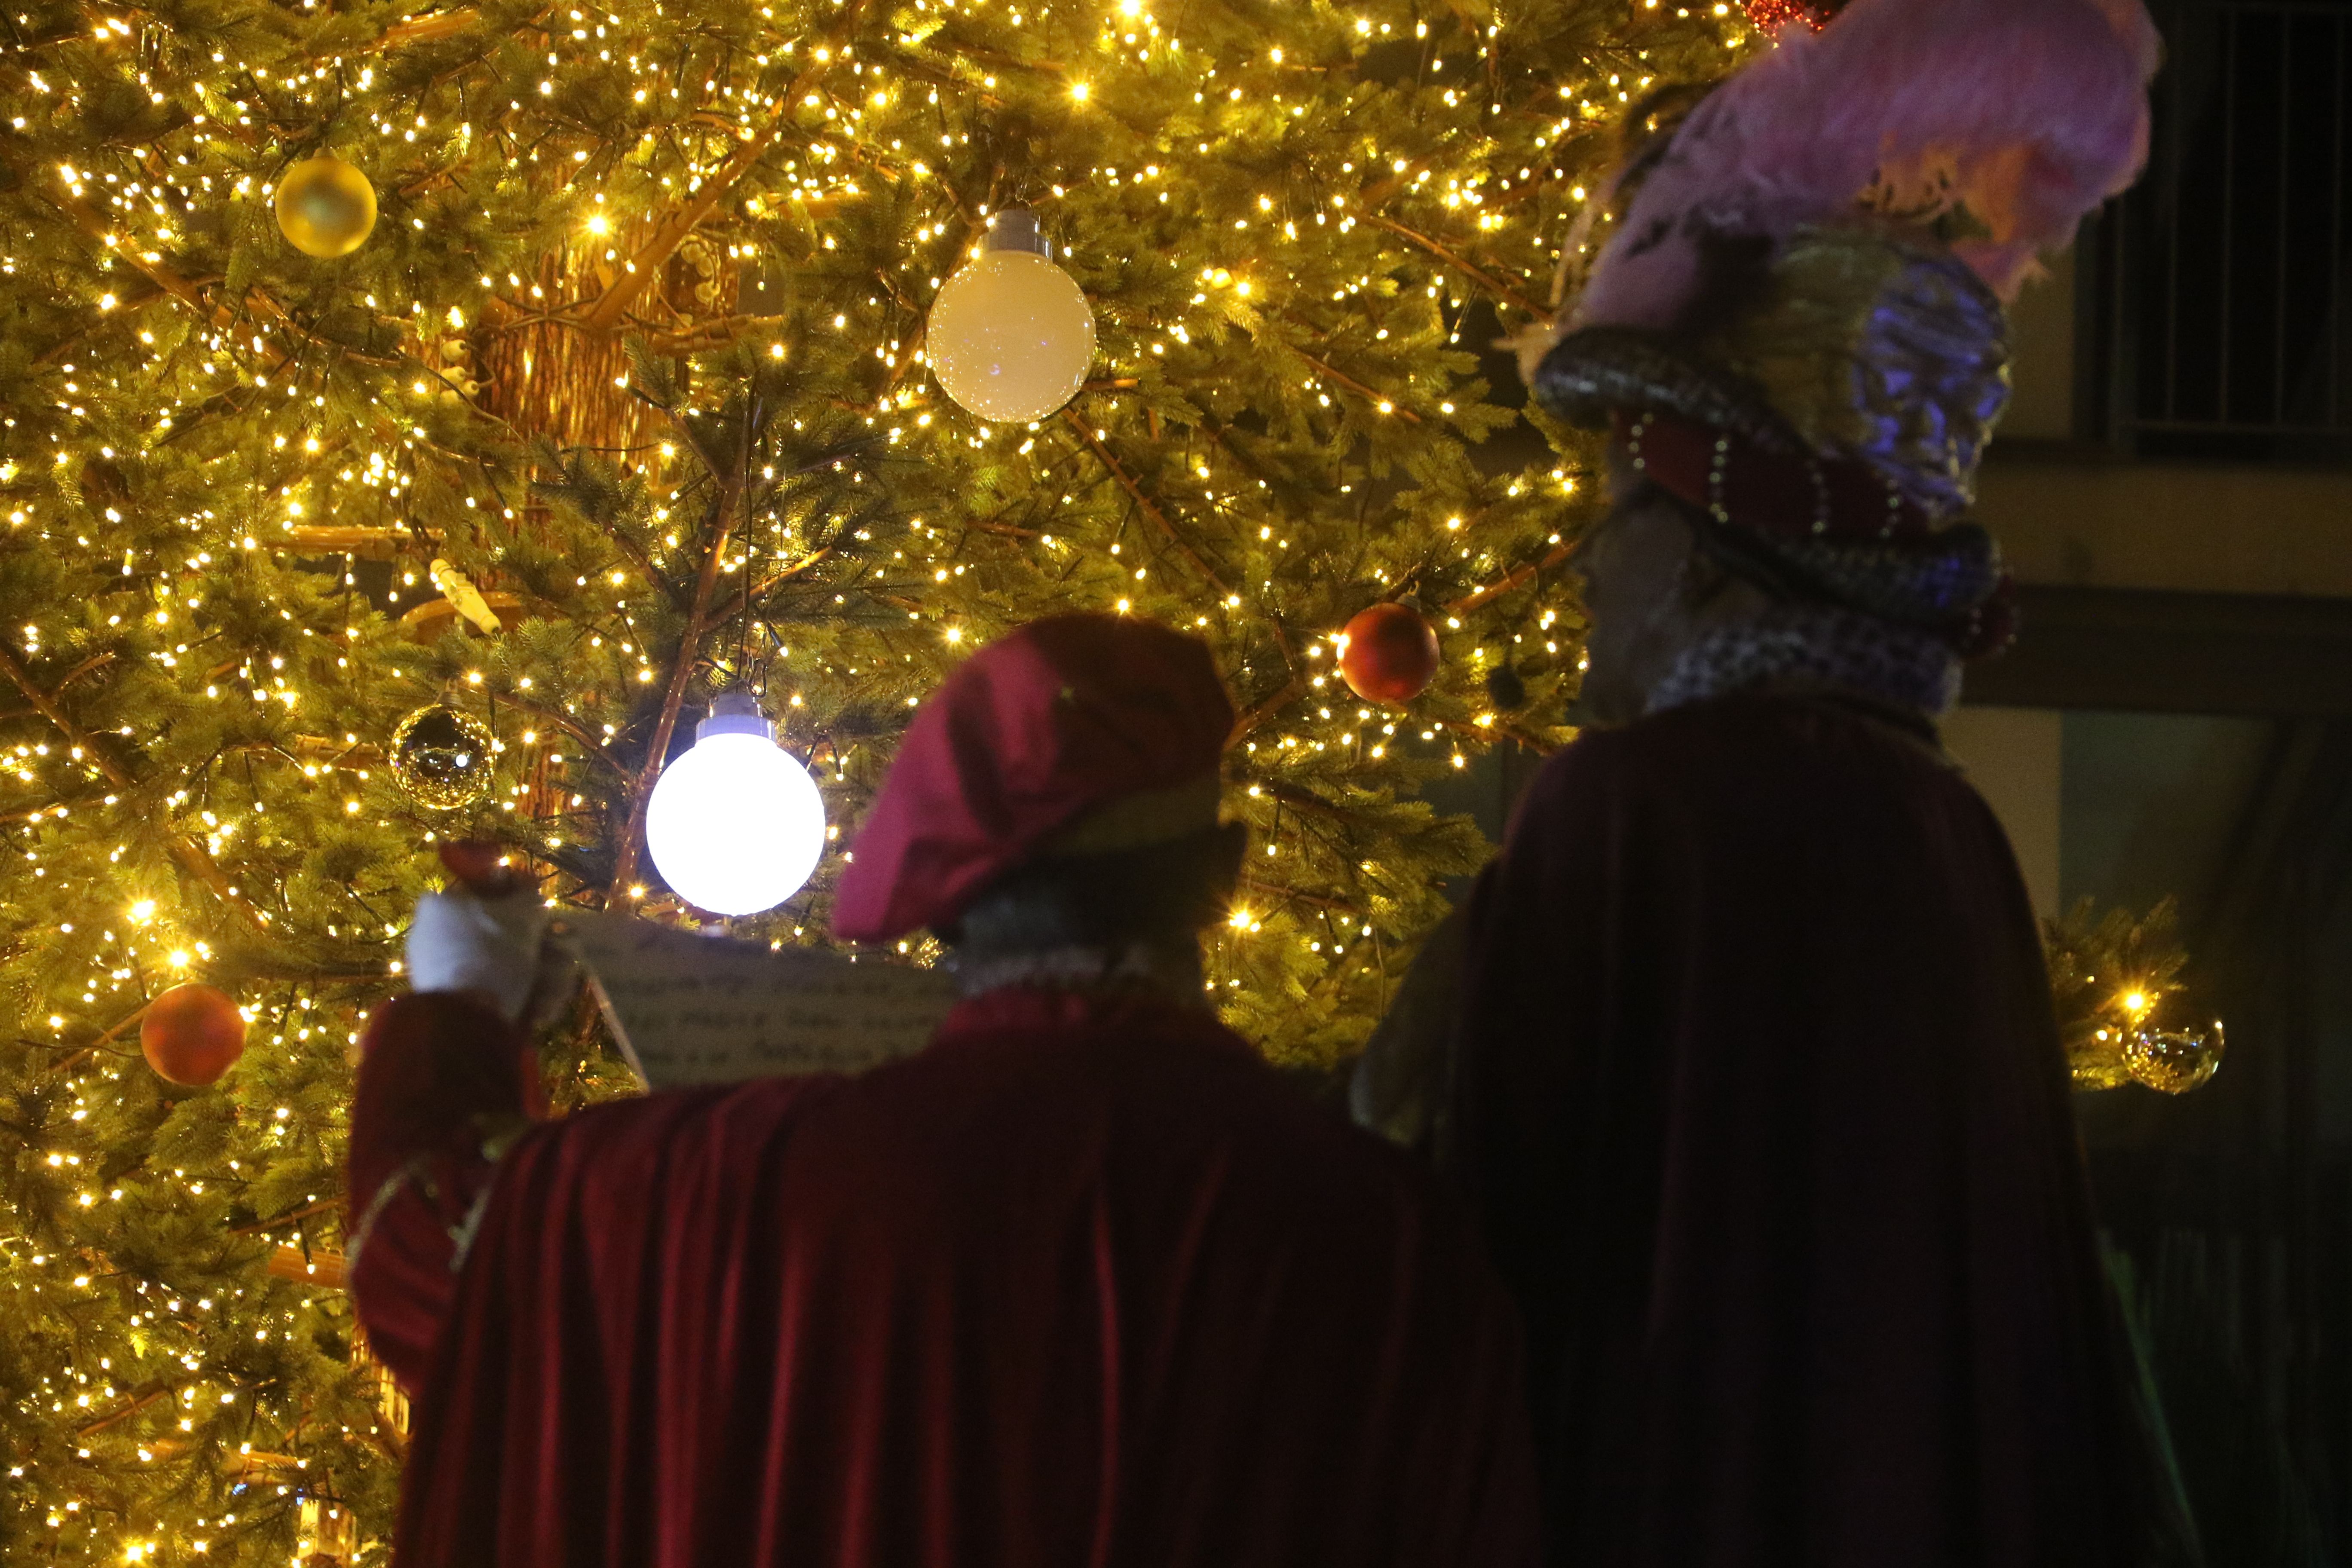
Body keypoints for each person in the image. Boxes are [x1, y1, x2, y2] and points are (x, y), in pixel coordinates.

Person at [1356, 0, 2204, 1561]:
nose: (1603, 563)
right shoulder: (1937, 824)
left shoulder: (1634, 814)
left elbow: (1483, 1236)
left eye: (1635, 509)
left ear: (1723, 545)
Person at [348, 613, 1539, 1567]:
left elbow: (430, 1241)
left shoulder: (743, 1187)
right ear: (1219, 877)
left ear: (941, 892)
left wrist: (459, 1003)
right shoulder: (1384, 1235)